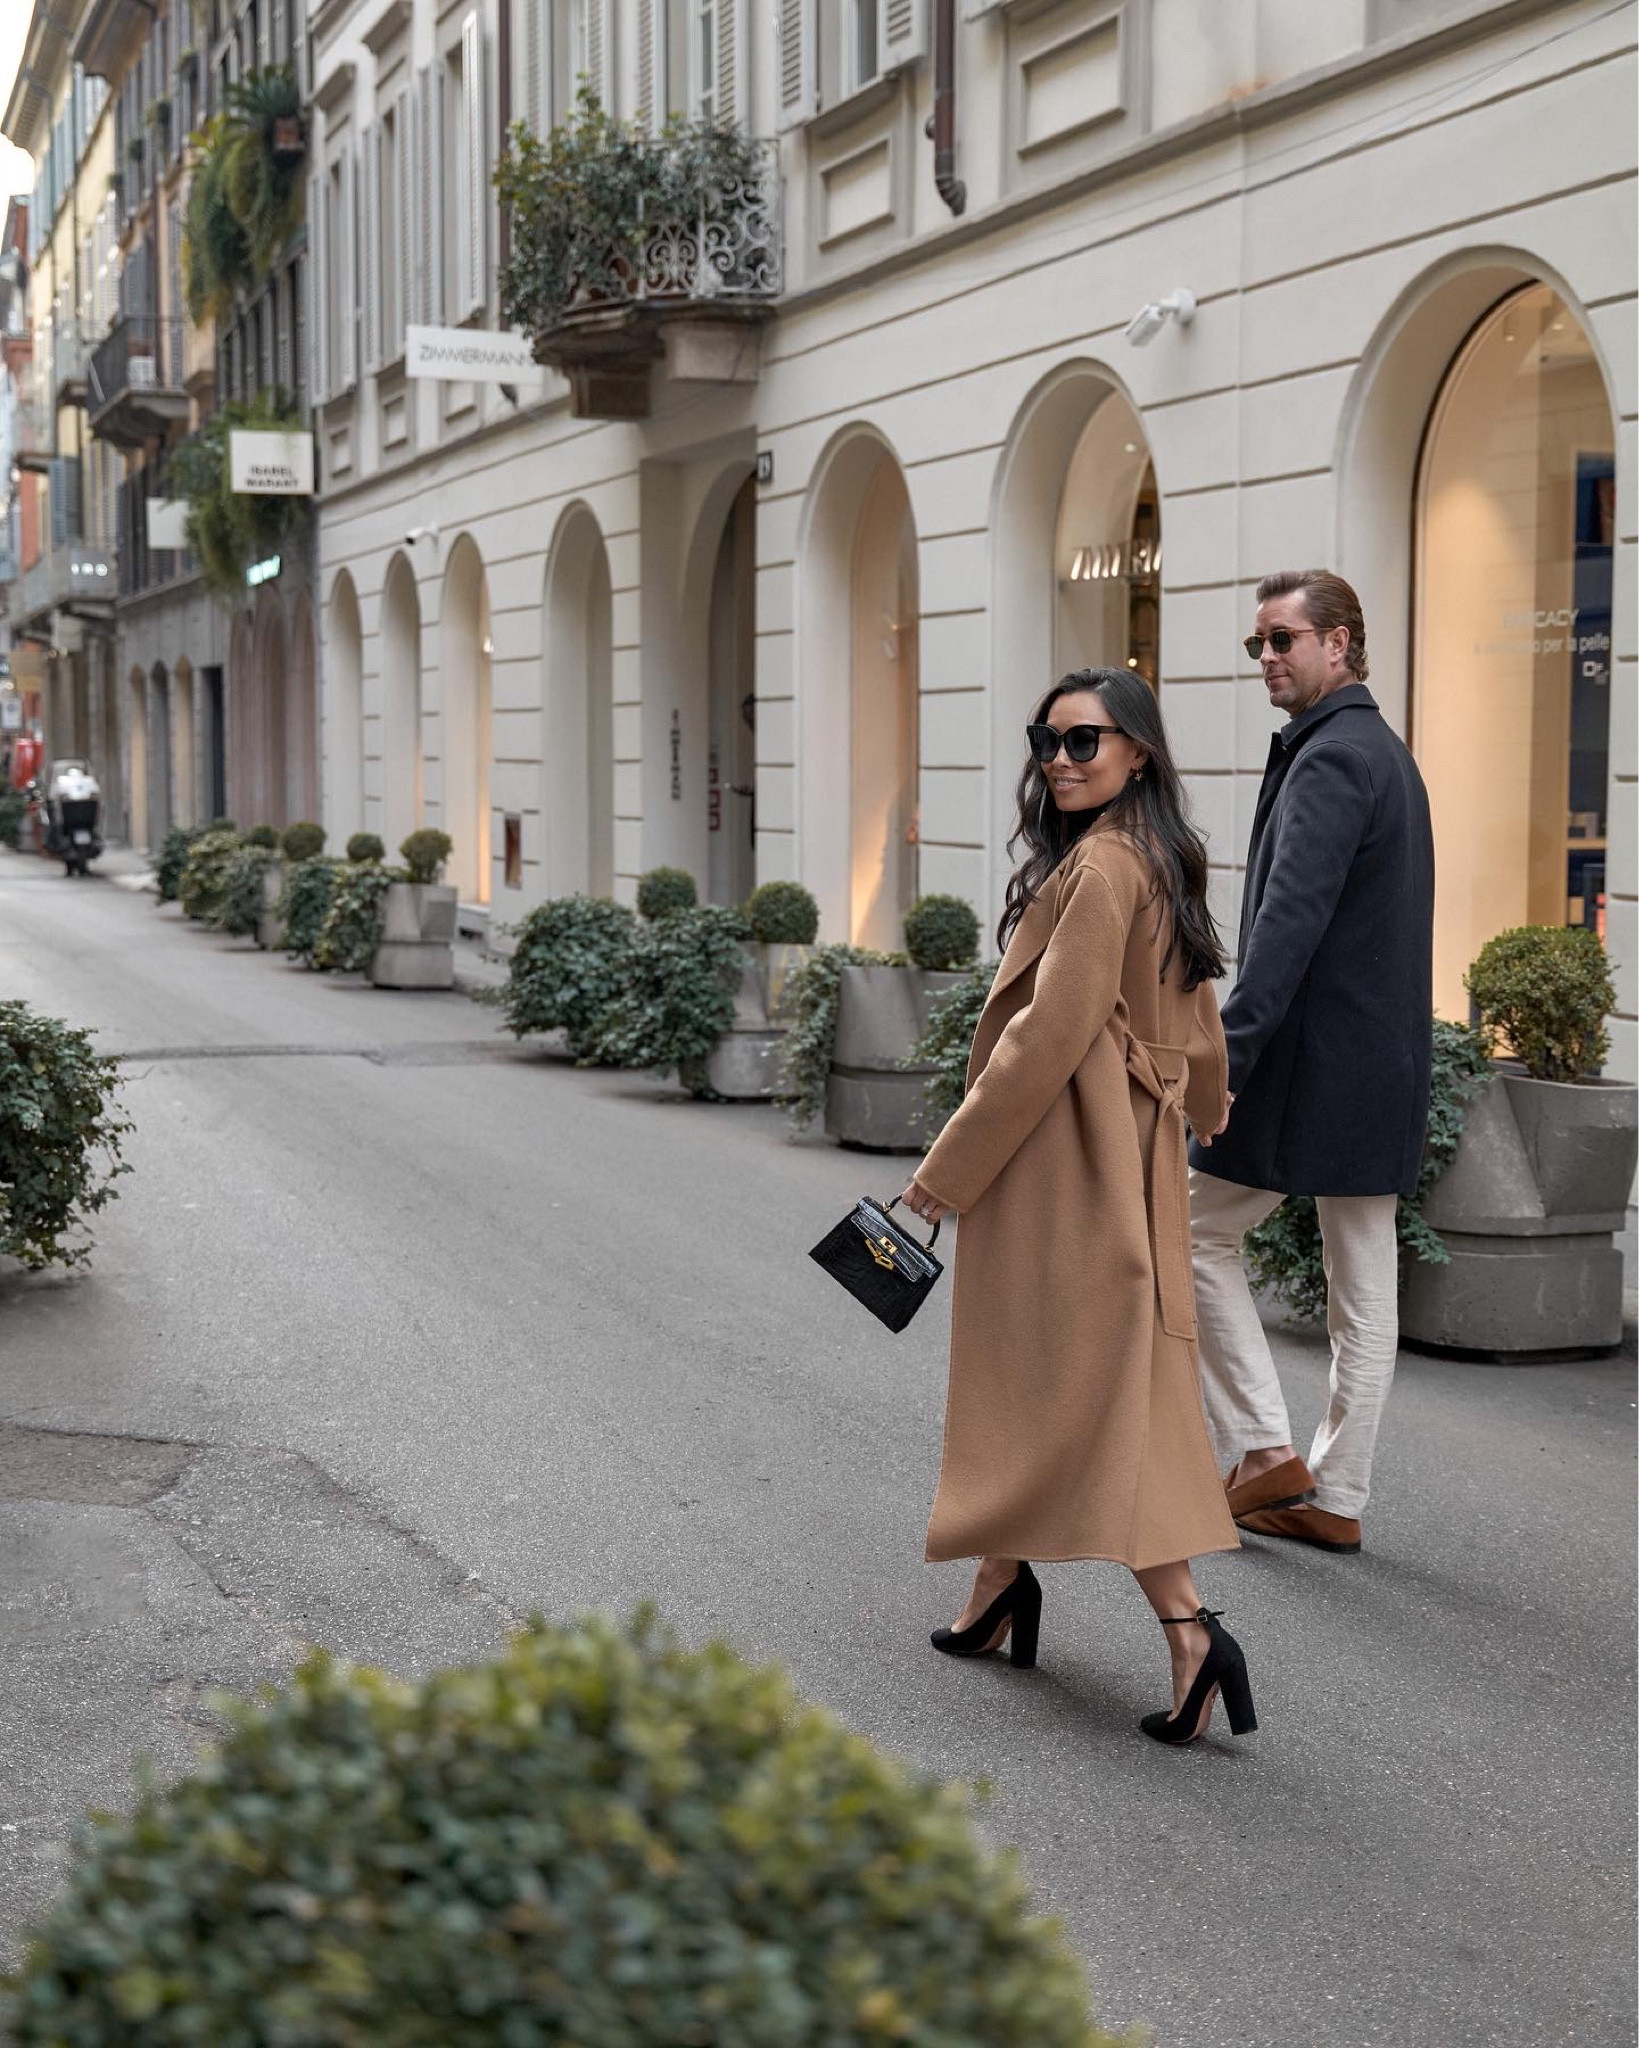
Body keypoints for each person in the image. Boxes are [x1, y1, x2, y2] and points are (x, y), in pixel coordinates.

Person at [899, 668, 1256, 1746]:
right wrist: (1199, 1102)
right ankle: (997, 1587)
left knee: (1086, 1385)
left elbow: (1041, 1040)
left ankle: (1191, 1630)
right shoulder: (1156, 855)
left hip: (1065, 1159)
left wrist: (940, 1175)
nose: (1059, 759)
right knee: (1062, 1377)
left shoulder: (1103, 867)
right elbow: (1198, 1022)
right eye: (1046, 740)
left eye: (1084, 741)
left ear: (1136, 749)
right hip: (1123, 1152)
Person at [1187, 568, 1434, 1555]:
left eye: (1282, 638)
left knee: (1187, 1229)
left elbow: (1285, 926)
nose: (1267, 658)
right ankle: (1333, 1493)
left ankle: (1259, 1449)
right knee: (1362, 1277)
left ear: (1339, 643)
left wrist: (1226, 1056)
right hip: (1374, 1063)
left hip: (1310, 1062)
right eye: (1257, 643)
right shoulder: (1378, 750)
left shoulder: (1334, 760)